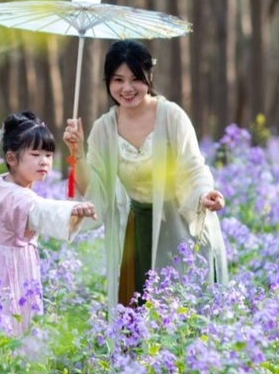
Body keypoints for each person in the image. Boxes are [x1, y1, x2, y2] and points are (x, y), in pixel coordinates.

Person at [62, 39, 228, 320]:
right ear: (108, 82)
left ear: (149, 77)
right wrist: (77, 152)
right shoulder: (104, 128)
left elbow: (193, 166)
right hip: (139, 230)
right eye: (118, 80)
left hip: (181, 222)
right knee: (138, 316)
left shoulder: (171, 116)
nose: (127, 88)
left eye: (135, 79)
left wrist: (204, 194)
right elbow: (95, 187)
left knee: (183, 313)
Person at [0, 110, 97, 336]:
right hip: (6, 270)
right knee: (9, 323)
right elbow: (39, 211)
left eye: (48, 154)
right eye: (35, 154)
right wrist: (72, 209)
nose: (44, 161)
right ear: (11, 158)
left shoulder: (1, 183)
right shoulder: (18, 196)